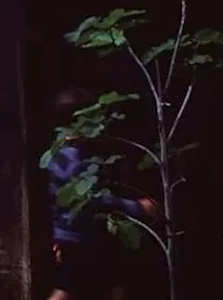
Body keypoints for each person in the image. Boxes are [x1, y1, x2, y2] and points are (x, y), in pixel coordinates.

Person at [47, 86, 159, 300]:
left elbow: (57, 201)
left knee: (110, 284)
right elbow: (90, 199)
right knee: (68, 290)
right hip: (82, 238)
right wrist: (136, 208)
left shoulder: (58, 155)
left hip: (77, 236)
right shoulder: (72, 158)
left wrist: (58, 235)